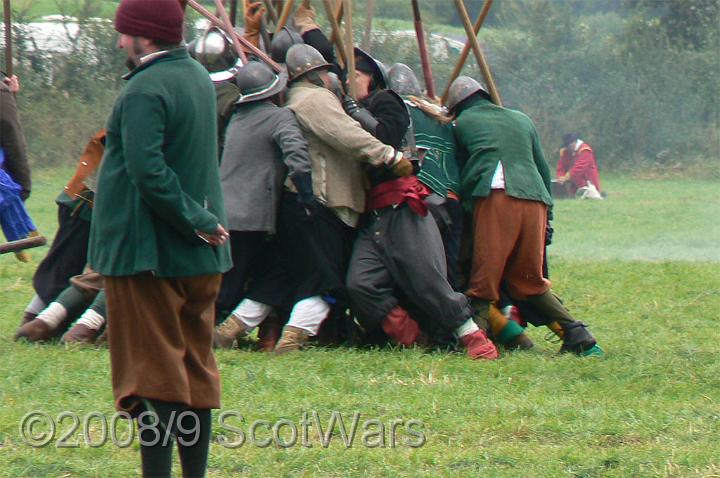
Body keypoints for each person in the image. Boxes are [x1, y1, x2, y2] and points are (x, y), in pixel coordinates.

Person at [87, 1, 231, 476]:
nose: (119, 42)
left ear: (144, 37)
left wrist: (195, 219)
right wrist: (203, 225)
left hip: (151, 254)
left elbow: (150, 173)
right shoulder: (194, 75)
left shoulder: (145, 89)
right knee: (194, 371)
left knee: (157, 379)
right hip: (196, 256)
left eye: (124, 33)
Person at [343, 53, 497, 359]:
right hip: (375, 216)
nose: (349, 81)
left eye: (355, 75)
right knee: (361, 284)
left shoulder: (388, 101)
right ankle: (414, 339)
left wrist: (355, 112)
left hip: (404, 208)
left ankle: (475, 340)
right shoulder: (364, 107)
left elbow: (386, 136)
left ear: (371, 77)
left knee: (430, 282)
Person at [265, 43, 411, 353]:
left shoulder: (299, 98)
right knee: (328, 281)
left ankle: (234, 327)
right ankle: (293, 335)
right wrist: (388, 155)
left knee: (284, 275)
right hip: (322, 198)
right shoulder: (315, 99)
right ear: (316, 75)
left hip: (313, 200)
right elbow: (346, 134)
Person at [448, 76, 602, 356]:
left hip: (497, 198)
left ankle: (480, 344)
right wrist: (549, 216)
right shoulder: (522, 119)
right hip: (537, 201)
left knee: (483, 279)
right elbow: (543, 168)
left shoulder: (461, 124)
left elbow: (457, 171)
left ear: (457, 106)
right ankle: (581, 337)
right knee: (530, 281)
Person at [212, 61, 313, 350]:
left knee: (228, 279)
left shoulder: (237, 119)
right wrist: (306, 195)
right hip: (251, 215)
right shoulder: (279, 118)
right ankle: (211, 338)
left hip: (224, 211)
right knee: (235, 283)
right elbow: (297, 154)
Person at [18, 130, 105, 325]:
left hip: (89, 205)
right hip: (84, 205)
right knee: (63, 269)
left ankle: (44, 321)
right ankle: (34, 321)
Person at [556, 133, 602, 198]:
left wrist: (565, 177)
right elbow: (561, 166)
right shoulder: (566, 151)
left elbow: (579, 168)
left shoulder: (585, 150)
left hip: (588, 182)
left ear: (574, 143)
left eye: (568, 145)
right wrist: (560, 177)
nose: (567, 148)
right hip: (574, 184)